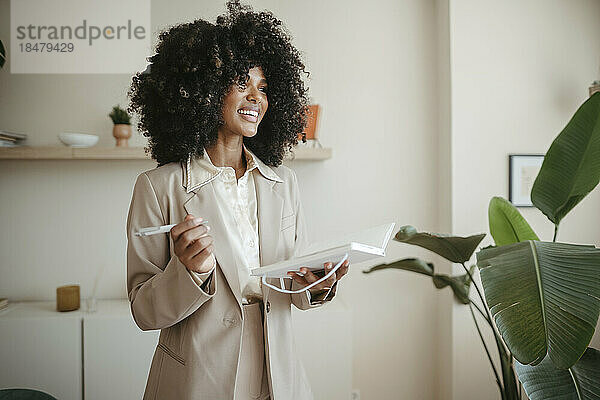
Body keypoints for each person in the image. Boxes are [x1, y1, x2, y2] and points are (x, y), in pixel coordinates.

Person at [125, 1, 349, 399]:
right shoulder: (158, 187)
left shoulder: (285, 183)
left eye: (263, 88)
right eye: (241, 83)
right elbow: (144, 311)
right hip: (197, 380)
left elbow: (294, 286)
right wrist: (188, 272)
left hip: (277, 379)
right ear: (205, 90)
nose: (255, 98)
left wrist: (316, 286)